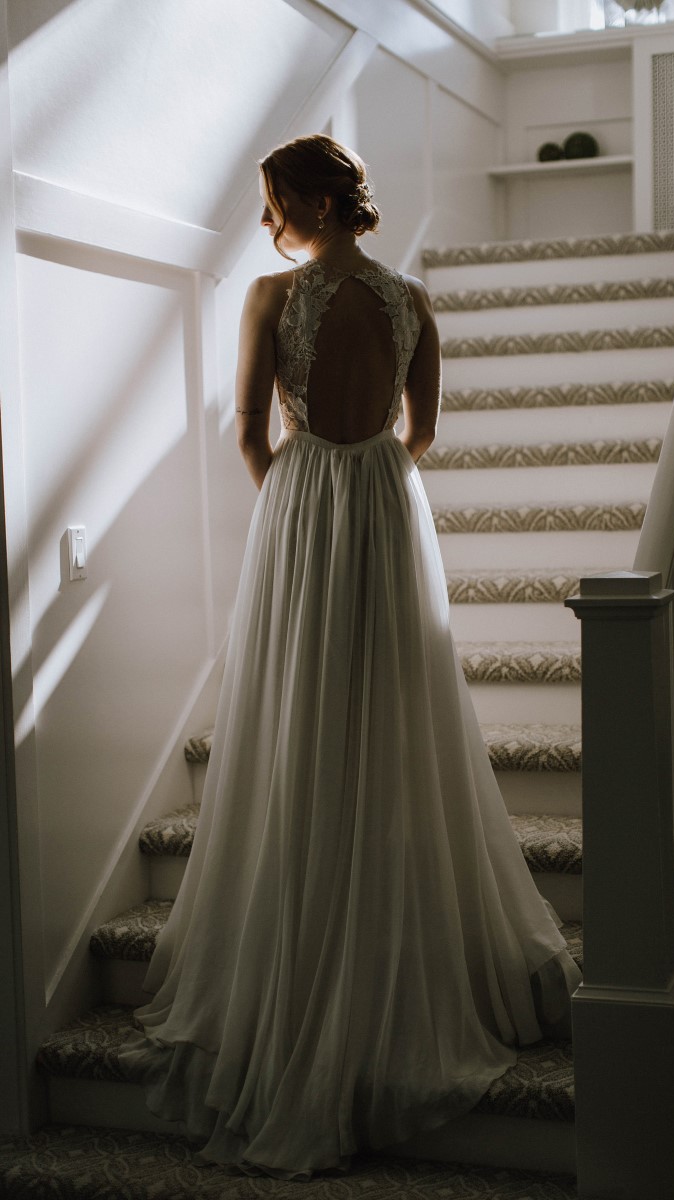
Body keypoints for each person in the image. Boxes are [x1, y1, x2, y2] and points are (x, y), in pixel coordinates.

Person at [119, 134, 582, 1180]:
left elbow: (249, 431)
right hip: (383, 505)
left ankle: (310, 959)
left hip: (304, 510)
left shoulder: (269, 299)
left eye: (273, 201)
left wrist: (298, 501)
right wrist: (368, 481)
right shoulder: (415, 300)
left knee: (303, 717)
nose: (265, 221)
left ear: (313, 205)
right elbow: (422, 432)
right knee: (390, 711)